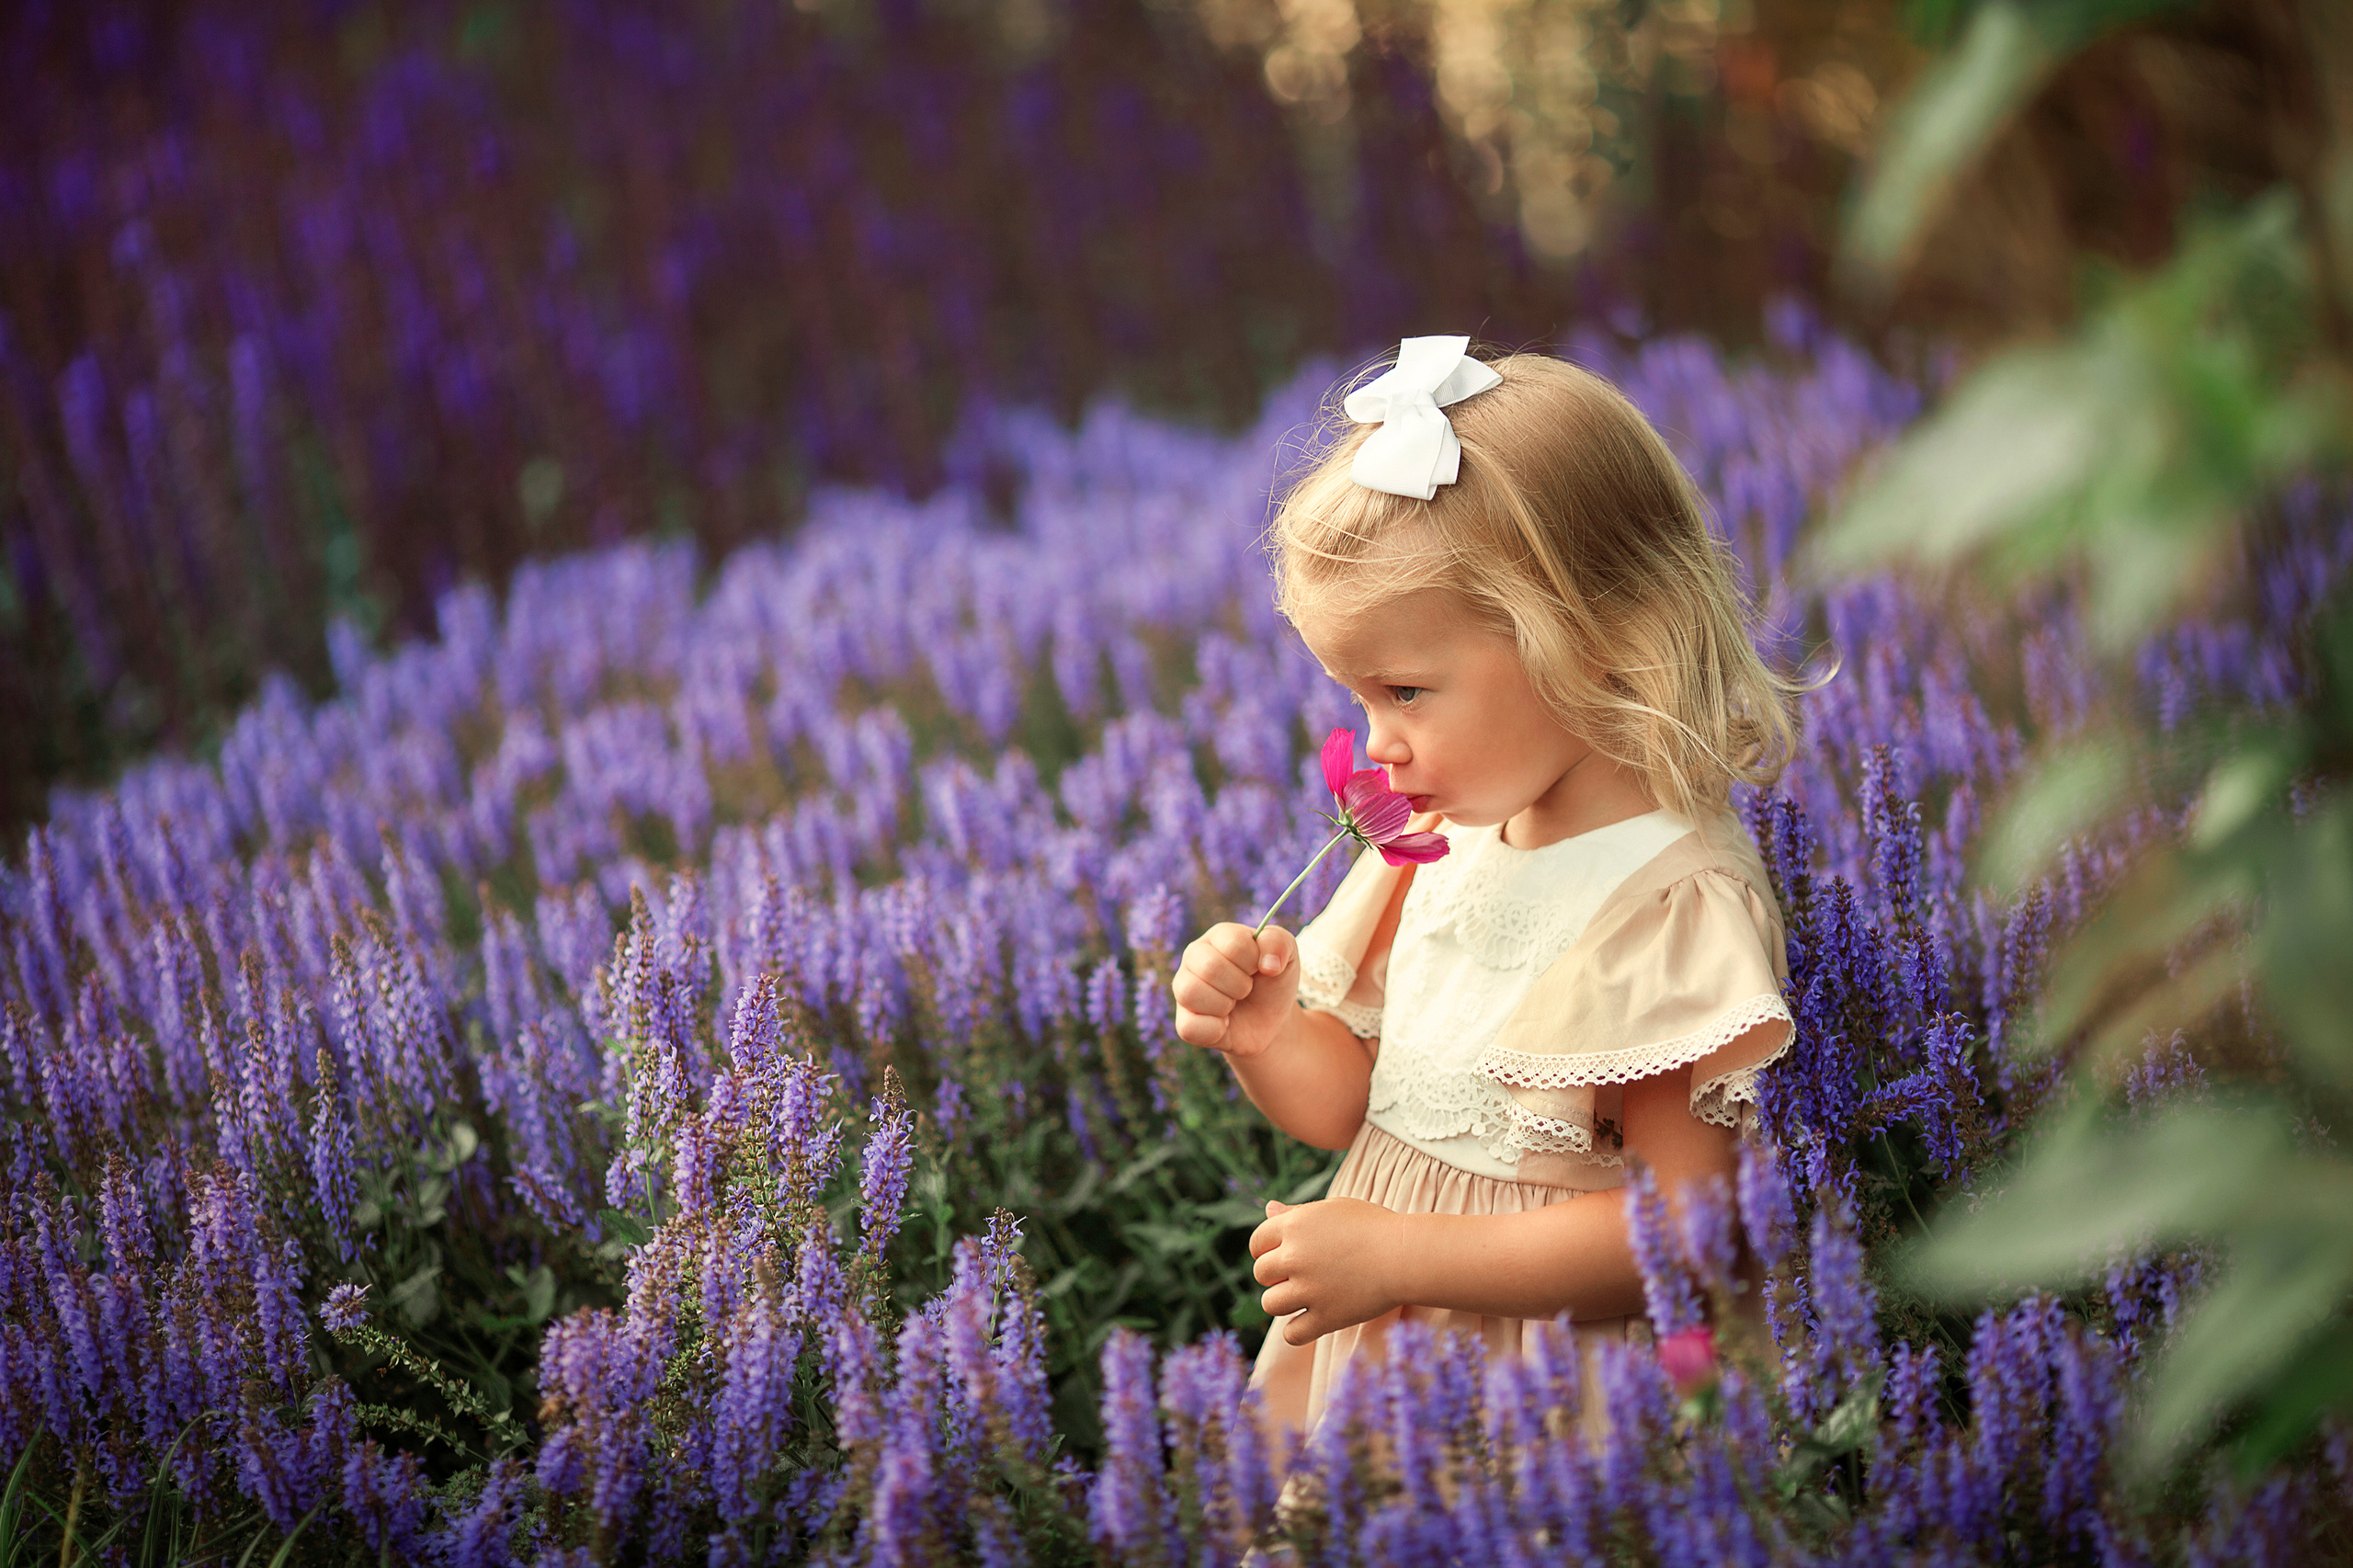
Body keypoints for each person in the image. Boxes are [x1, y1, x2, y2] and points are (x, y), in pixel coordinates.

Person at [1170, 336, 1808, 1449]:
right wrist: (1269, 1032)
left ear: (1598, 638)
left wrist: (1404, 1254)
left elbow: (1690, 1230)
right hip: (1391, 1364)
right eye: (1359, 698)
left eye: (1407, 689)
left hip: (1553, 1396)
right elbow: (1351, 1106)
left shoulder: (1663, 904)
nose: (1379, 746)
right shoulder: (1434, 843)